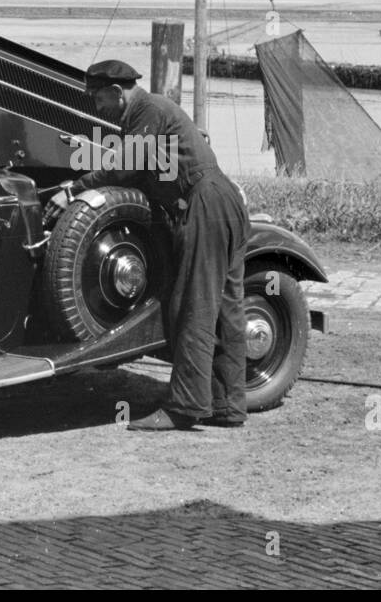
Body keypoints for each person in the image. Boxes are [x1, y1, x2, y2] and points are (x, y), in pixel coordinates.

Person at [52, 60, 252, 431]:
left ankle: (185, 408)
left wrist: (74, 189)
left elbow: (124, 167)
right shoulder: (153, 113)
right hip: (222, 200)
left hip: (204, 202)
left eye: (98, 98)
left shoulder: (148, 110)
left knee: (194, 306)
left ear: (116, 91)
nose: (97, 107)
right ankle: (227, 405)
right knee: (226, 306)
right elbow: (148, 167)